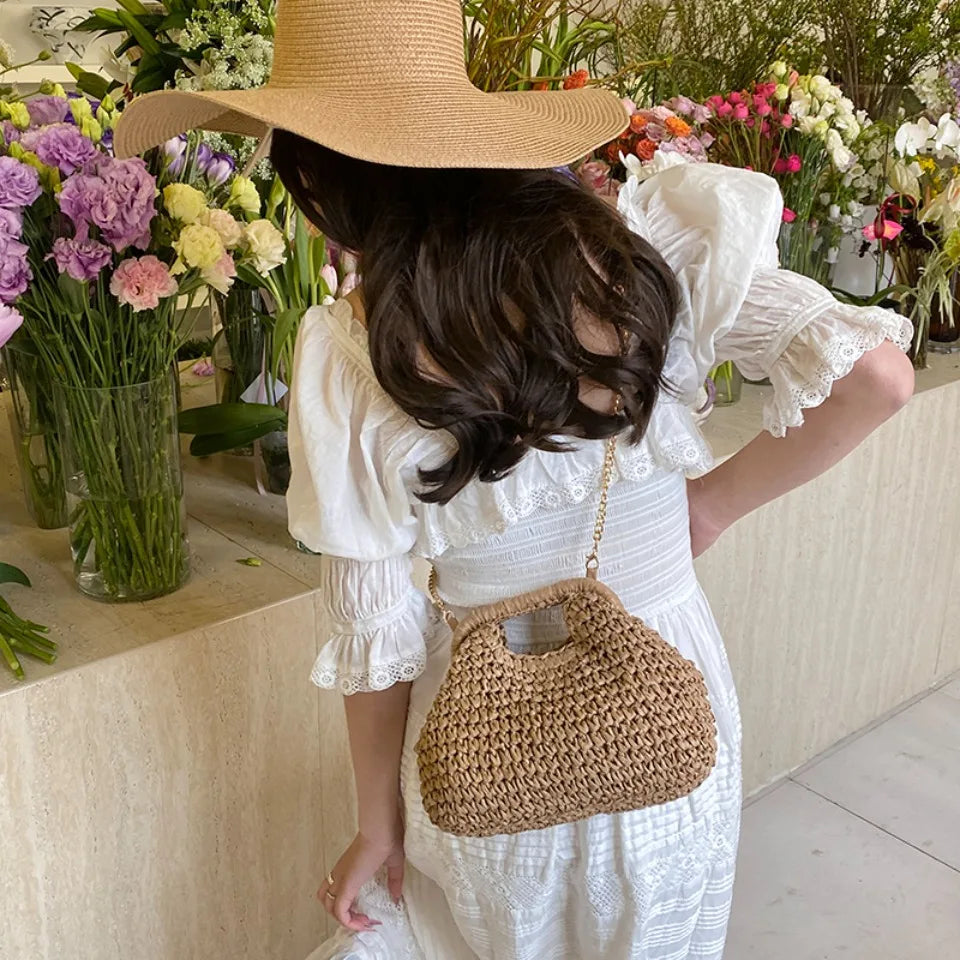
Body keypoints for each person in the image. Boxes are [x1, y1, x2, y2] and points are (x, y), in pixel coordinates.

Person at [114, 1, 915, 957]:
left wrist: (378, 827)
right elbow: (878, 376)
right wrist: (709, 506)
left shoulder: (349, 349)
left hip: (484, 733)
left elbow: (378, 632)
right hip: (666, 697)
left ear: (321, 178)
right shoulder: (647, 255)